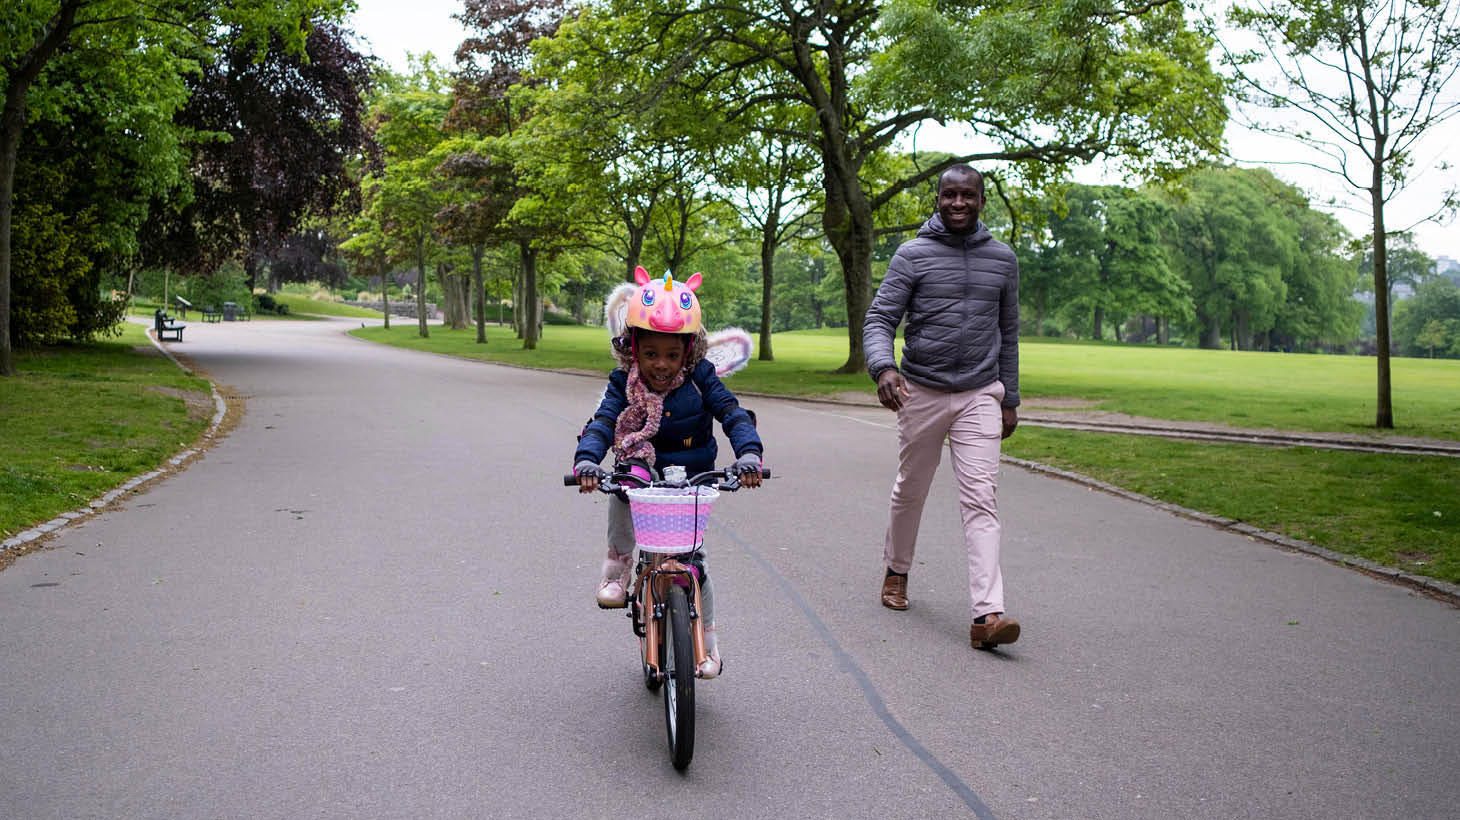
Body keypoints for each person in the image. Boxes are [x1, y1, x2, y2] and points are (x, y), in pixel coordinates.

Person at [573, 268, 763, 678]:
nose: (661, 365)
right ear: (633, 349)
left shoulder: (701, 379)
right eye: (651, 353)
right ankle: (619, 566)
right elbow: (605, 421)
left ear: (689, 351)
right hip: (641, 470)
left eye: (672, 355)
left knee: (697, 564)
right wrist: (587, 460)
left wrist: (749, 454)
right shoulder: (624, 382)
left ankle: (707, 643)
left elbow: (731, 413)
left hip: (691, 479)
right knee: (623, 484)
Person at [862, 164, 1022, 650]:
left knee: (981, 497)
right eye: (949, 195)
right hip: (922, 390)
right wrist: (883, 369)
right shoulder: (912, 255)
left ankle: (987, 615)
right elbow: (880, 319)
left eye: (967, 195)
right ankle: (897, 570)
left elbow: (1008, 333)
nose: (958, 203)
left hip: (980, 392)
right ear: (937, 199)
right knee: (912, 487)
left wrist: (1009, 399)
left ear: (980, 201)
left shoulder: (1002, 259)